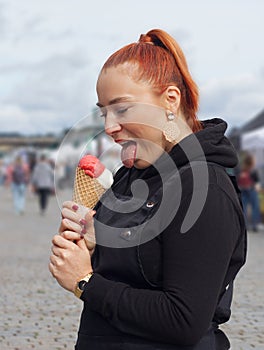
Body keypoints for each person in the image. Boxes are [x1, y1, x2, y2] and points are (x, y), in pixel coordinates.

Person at [49, 29, 247, 350]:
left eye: (122, 109)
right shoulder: (128, 177)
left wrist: (86, 282)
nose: (109, 127)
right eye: (103, 112)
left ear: (170, 100)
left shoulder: (204, 188)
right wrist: (92, 246)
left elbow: (183, 321)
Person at [237, 152, 261, 232]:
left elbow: (237, 181)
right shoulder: (253, 170)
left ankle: (245, 225)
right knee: (255, 207)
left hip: (242, 190)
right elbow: (257, 183)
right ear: (252, 161)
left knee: (244, 208)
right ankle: (254, 225)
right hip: (251, 189)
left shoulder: (241, 170)